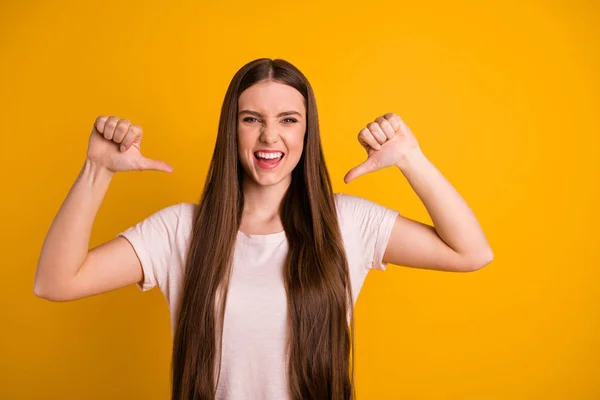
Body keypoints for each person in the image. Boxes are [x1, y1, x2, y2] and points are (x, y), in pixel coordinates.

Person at [33, 58, 494, 400]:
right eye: (251, 119)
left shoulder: (346, 223)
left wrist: (410, 158)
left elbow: (470, 253)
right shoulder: (181, 230)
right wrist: (96, 171)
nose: (270, 137)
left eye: (288, 120)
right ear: (230, 131)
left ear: (306, 132)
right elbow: (56, 281)